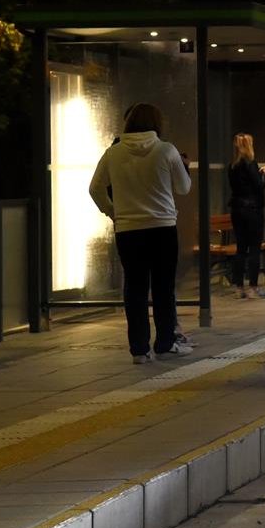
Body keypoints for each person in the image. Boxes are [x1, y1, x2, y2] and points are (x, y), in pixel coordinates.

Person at [88, 103, 194, 364]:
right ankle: (165, 343)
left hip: (128, 231)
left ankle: (139, 350)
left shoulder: (113, 154)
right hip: (162, 228)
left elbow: (95, 188)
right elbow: (183, 188)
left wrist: (113, 212)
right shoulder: (166, 151)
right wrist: (183, 166)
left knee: (135, 288)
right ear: (157, 123)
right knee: (163, 287)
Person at [227, 132, 265, 299]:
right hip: (252, 210)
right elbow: (258, 187)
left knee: (241, 248)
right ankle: (252, 286)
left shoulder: (232, 165)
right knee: (254, 248)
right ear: (248, 146)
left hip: (237, 210)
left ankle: (239, 287)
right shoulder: (250, 163)